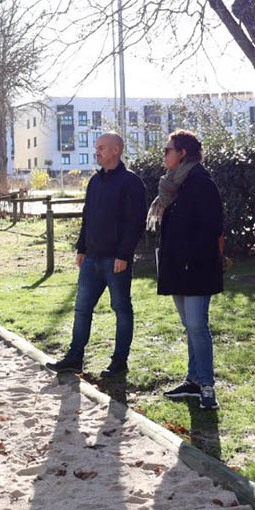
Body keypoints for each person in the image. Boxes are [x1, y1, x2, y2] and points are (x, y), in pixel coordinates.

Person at [47, 132, 147, 377]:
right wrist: (81, 248)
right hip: (91, 258)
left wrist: (124, 255)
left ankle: (119, 361)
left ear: (116, 150)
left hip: (116, 260)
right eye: (96, 148)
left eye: (102, 147)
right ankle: (74, 357)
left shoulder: (131, 182)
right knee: (82, 309)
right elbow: (87, 216)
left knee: (121, 310)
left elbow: (136, 222)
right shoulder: (94, 181)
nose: (97, 151)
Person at [151, 130, 224, 410]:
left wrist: (188, 256)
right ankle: (193, 381)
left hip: (196, 268)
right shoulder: (171, 185)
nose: (164, 154)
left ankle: (207, 387)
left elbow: (212, 227)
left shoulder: (200, 182)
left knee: (197, 326)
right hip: (175, 266)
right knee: (190, 327)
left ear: (183, 153)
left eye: (168, 150)